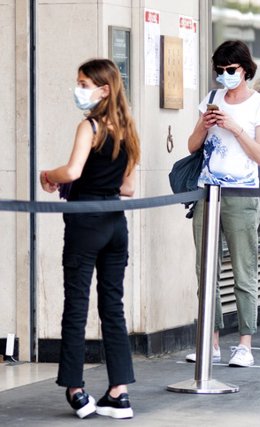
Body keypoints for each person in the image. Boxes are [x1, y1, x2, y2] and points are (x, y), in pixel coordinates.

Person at [39, 58, 140, 419]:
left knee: (76, 303)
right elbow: (128, 187)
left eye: (84, 83)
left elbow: (73, 170)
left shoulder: (91, 126)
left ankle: (76, 389)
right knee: (113, 306)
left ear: (104, 89)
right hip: (115, 222)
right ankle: (119, 392)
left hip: (85, 222)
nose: (78, 89)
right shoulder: (126, 129)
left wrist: (48, 174)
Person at [186, 40, 260, 367]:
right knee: (204, 269)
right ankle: (211, 341)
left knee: (243, 268)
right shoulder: (210, 99)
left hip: (241, 194)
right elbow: (192, 145)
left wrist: (235, 128)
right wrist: (205, 126)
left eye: (231, 70)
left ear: (246, 69)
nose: (225, 76)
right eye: (220, 71)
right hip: (208, 192)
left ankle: (245, 344)